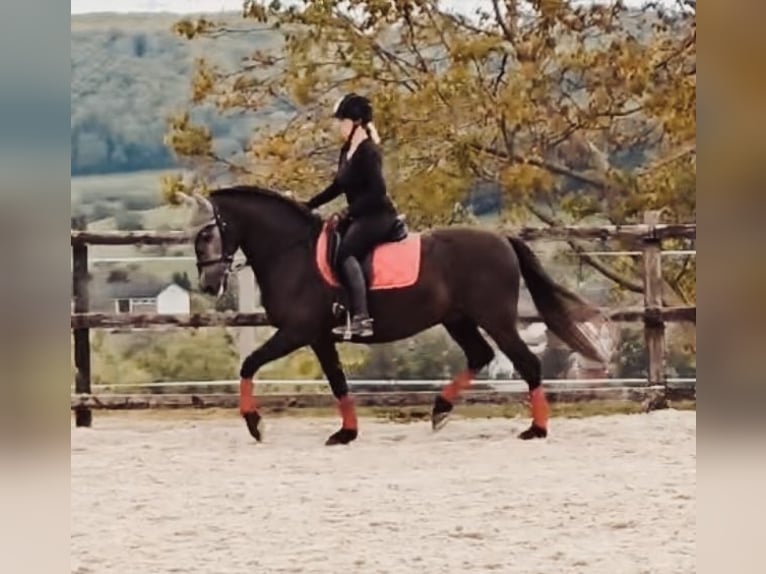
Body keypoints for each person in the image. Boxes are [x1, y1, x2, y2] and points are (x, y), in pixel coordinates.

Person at [303, 92, 400, 338]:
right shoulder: (347, 149)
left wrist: (347, 211)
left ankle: (362, 318)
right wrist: (308, 205)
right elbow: (338, 186)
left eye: (341, 121)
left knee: (345, 253)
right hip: (360, 216)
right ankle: (342, 306)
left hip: (378, 216)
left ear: (355, 122)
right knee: (331, 246)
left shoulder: (368, 151)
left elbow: (378, 191)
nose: (338, 126)